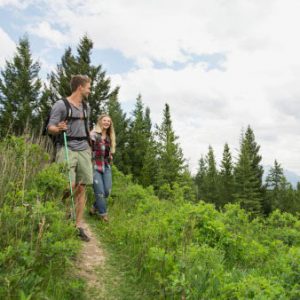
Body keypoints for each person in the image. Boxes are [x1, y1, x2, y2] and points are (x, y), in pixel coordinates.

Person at [47, 74, 93, 242]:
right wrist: (58, 128)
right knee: (68, 186)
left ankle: (78, 224)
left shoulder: (87, 107)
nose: (90, 89)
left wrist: (90, 145)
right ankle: (61, 213)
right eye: (88, 86)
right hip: (67, 147)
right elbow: (50, 127)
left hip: (84, 149)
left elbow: (86, 127)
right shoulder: (61, 105)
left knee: (82, 188)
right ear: (80, 87)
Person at [89, 114, 116, 222]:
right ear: (100, 121)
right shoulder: (93, 134)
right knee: (99, 192)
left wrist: (110, 155)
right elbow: (87, 148)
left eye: (108, 121)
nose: (106, 122)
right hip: (94, 165)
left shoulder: (110, 137)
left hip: (106, 166)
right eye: (104, 120)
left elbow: (108, 151)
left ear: (110, 124)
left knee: (107, 191)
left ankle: (95, 207)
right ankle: (103, 215)